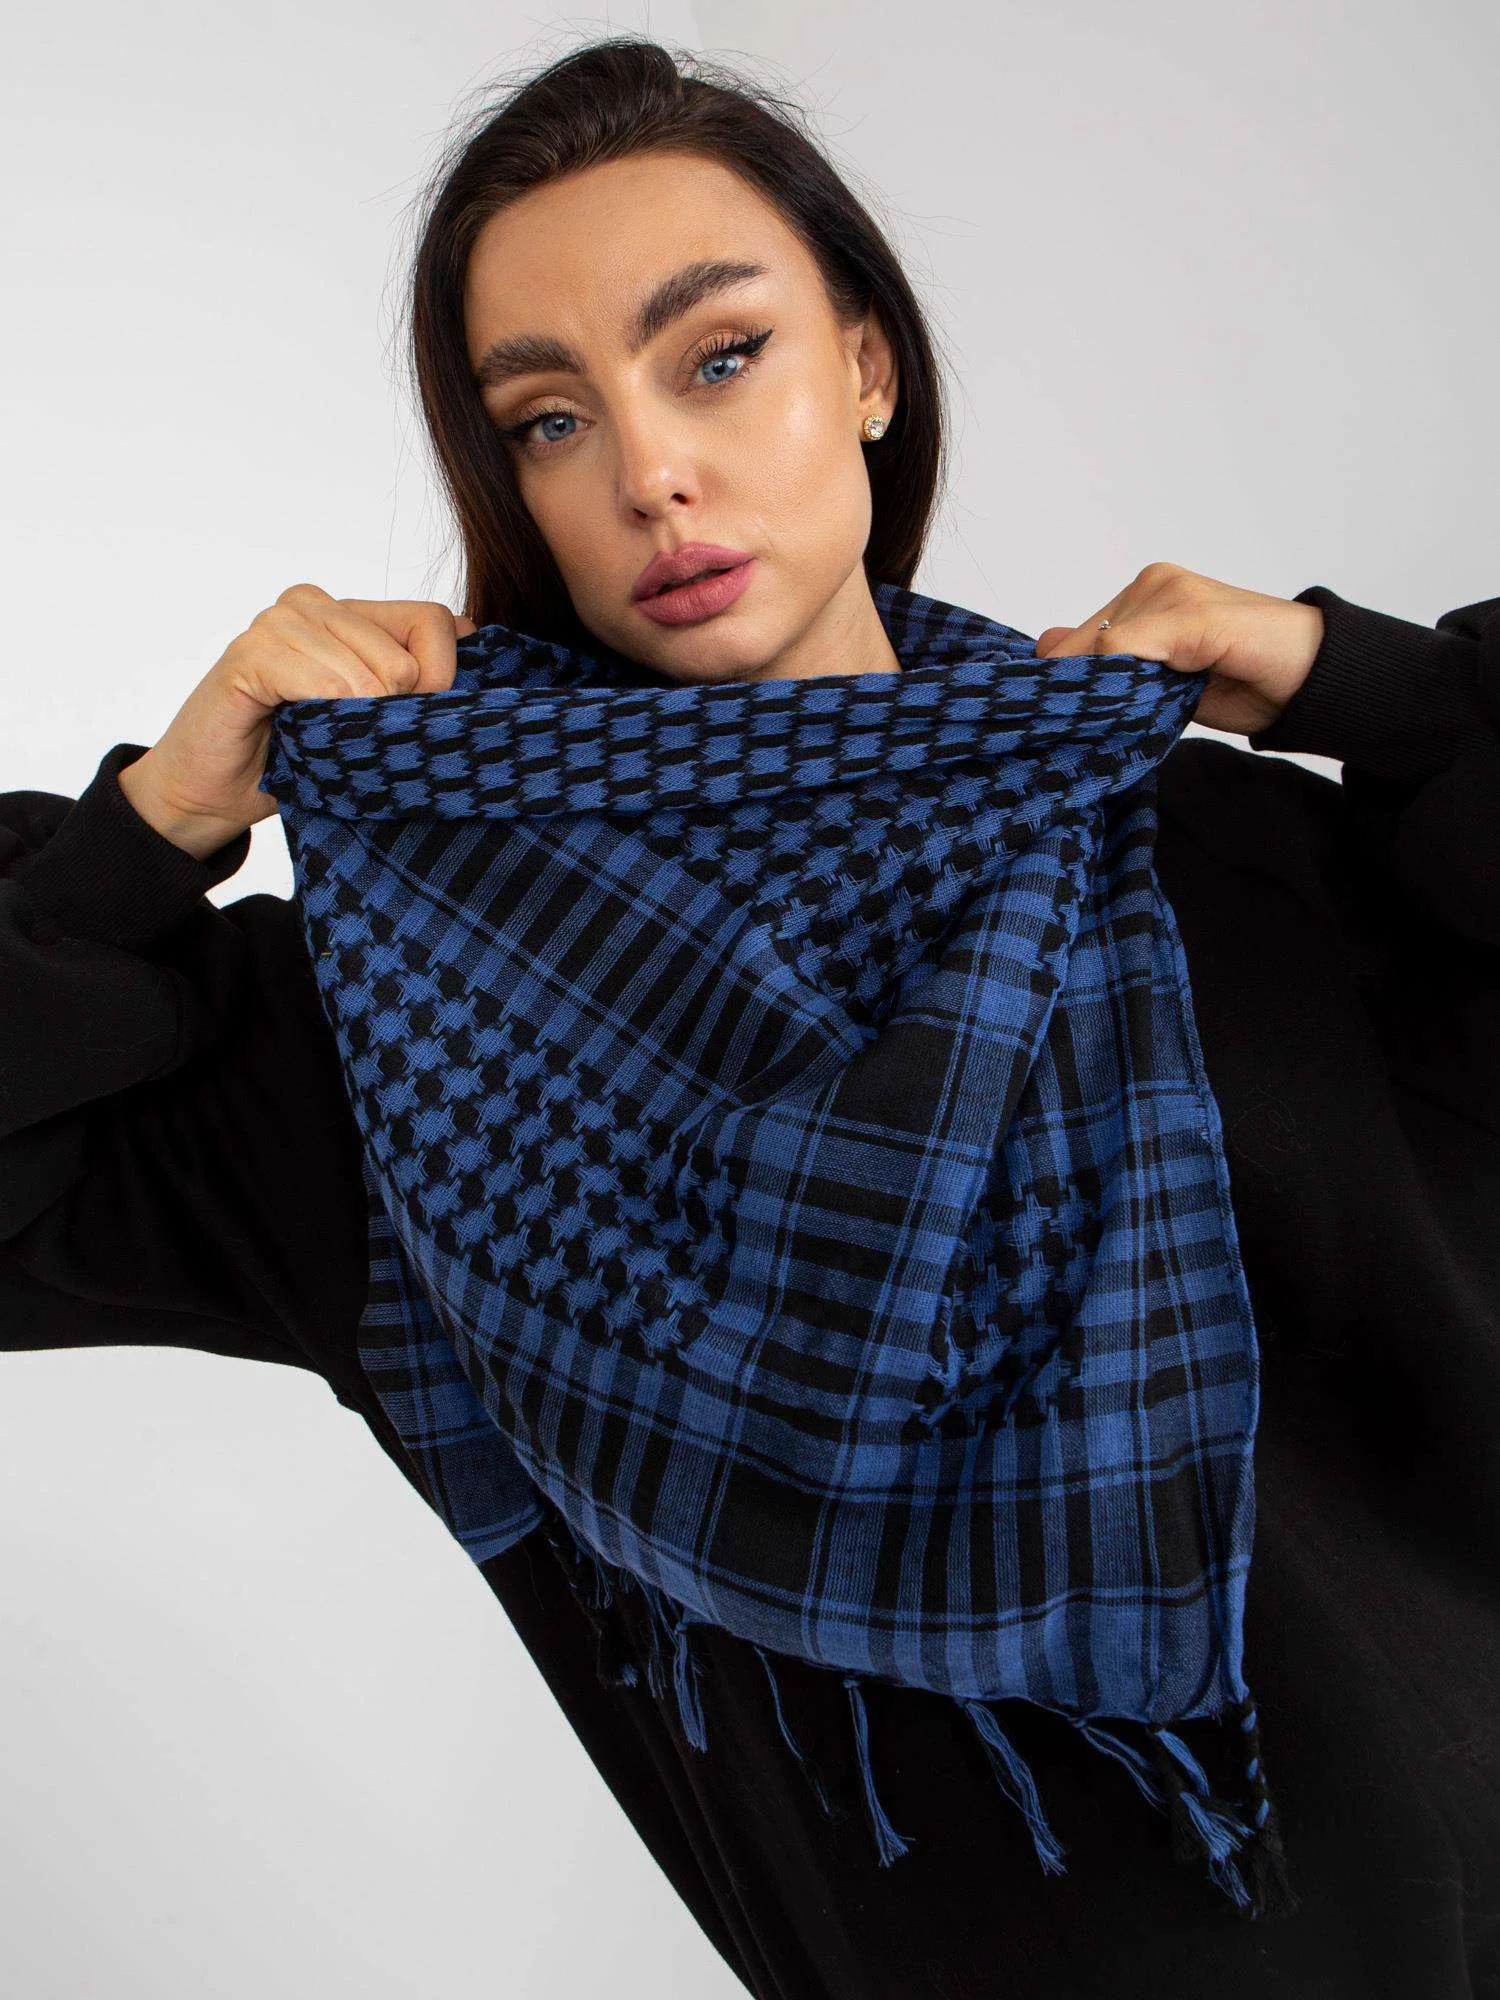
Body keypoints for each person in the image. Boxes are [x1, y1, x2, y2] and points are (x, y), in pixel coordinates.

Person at [3, 34, 1496, 2000]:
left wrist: (1355, 682)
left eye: (718, 357)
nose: (649, 472)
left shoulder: (1204, 847)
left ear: (867, 365)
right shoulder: (403, 1029)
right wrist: (154, 825)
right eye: (551, 417)